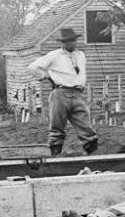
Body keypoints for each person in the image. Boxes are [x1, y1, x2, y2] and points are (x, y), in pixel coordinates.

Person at [27, 27, 99, 157]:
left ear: (75, 41)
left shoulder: (81, 55)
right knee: (57, 126)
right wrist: (46, 76)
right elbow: (32, 67)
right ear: (62, 43)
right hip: (60, 93)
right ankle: (55, 157)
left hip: (77, 94)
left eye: (72, 40)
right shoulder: (54, 55)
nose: (70, 43)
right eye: (67, 41)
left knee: (85, 126)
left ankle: (93, 157)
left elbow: (80, 74)